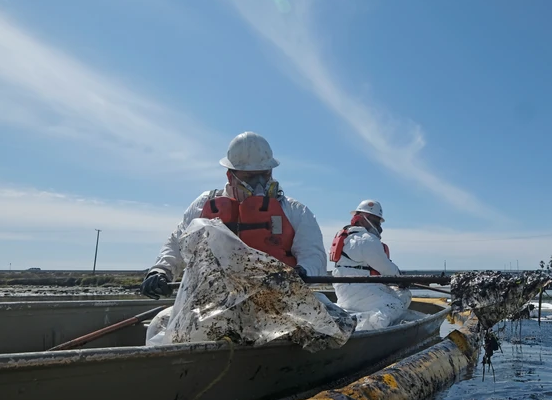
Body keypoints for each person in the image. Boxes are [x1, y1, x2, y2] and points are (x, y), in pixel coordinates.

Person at [141, 132, 327, 298]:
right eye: (249, 177)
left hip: (278, 300)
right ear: (230, 176)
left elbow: (313, 255)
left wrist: (302, 272)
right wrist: (160, 270)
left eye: (264, 175)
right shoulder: (204, 205)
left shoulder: (295, 211)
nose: (259, 184)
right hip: (214, 302)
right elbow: (178, 242)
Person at [329, 200, 411, 329]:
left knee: (392, 295)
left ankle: (352, 316)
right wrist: (401, 278)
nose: (378, 226)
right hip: (362, 292)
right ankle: (364, 324)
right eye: (376, 221)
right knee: (400, 301)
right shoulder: (367, 240)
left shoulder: (345, 237)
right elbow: (386, 269)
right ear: (362, 218)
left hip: (346, 292)